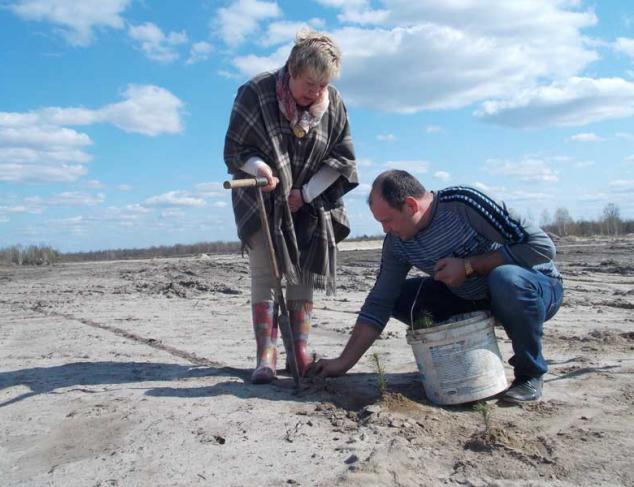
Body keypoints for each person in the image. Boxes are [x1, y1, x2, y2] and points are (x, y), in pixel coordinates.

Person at [311, 170, 564, 403]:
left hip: (534, 288)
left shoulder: (464, 204)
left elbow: (542, 247)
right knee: (401, 297)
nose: (385, 229)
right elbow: (379, 301)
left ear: (410, 205)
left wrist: (469, 266)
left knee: (506, 279)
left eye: (388, 220)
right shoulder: (397, 243)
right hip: (473, 301)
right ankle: (463, 358)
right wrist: (343, 363)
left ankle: (529, 374)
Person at [224, 31, 358, 384]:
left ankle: (298, 349)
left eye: (322, 85)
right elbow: (237, 150)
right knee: (266, 275)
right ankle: (265, 355)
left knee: (302, 276)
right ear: (292, 68)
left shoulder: (334, 103)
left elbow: (341, 159)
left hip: (311, 204)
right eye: (309, 83)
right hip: (262, 199)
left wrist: (307, 193)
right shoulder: (256, 92)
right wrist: (260, 169)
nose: (314, 93)